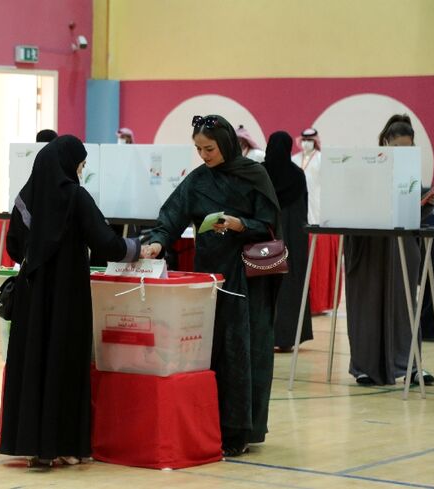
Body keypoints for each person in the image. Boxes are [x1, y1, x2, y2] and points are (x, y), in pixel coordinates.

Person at [141, 115, 281, 456]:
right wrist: (158, 242)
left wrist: (238, 224)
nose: (204, 155)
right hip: (210, 278)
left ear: (227, 144)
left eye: (210, 148)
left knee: (244, 349)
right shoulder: (198, 181)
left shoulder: (253, 174)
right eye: (199, 149)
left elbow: (269, 223)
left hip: (248, 277)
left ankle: (241, 429)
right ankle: (210, 424)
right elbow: (171, 216)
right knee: (212, 349)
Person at [0, 135, 140, 467]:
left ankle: (33, 446)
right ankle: (64, 445)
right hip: (68, 296)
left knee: (33, 363)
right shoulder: (77, 197)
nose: (81, 170)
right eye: (81, 164)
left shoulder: (25, 197)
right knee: (64, 363)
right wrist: (137, 248)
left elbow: (14, 247)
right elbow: (107, 244)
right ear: (69, 164)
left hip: (32, 296)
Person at [344, 114, 434, 386]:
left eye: (408, 149)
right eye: (398, 148)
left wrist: (429, 202)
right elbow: (352, 202)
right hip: (368, 246)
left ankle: (411, 365)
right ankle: (365, 367)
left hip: (401, 247)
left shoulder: (411, 174)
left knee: (406, 305)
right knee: (366, 304)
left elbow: (413, 207)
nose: (403, 154)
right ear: (385, 143)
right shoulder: (366, 166)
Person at [263, 131, 312, 352]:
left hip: (265, 239)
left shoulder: (261, 173)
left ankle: (264, 335)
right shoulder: (297, 175)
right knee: (291, 285)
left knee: (264, 286)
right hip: (293, 239)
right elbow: (304, 209)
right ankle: (288, 337)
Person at [291, 127, 339, 315]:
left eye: (310, 140)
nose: (306, 143)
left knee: (319, 264)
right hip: (300, 213)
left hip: (318, 212)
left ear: (315, 141)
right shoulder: (294, 160)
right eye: (304, 139)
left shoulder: (322, 160)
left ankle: (318, 303)